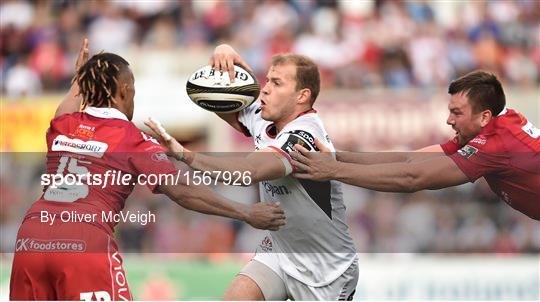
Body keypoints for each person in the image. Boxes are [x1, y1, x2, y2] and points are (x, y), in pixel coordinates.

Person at [9, 39, 285, 301]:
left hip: (32, 237)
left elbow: (66, 104)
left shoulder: (64, 124)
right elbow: (182, 190)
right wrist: (245, 212)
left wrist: (81, 77)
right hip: (84, 237)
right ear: (124, 91)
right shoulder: (131, 139)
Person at [146, 44, 358, 300]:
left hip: (326, 270)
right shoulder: (266, 116)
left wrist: (184, 153)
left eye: (276, 83)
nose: (265, 88)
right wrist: (222, 57)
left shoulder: (304, 136)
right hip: (280, 252)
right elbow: (216, 96)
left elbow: (249, 171)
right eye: (267, 80)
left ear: (302, 96)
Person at [289, 70, 540, 220]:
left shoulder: (494, 143)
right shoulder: (494, 123)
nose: (449, 120)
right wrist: (338, 158)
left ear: (484, 115)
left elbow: (413, 178)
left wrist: (334, 172)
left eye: (457, 113)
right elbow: (411, 160)